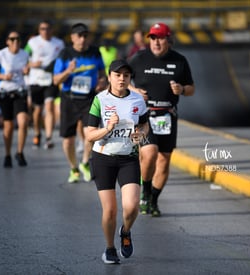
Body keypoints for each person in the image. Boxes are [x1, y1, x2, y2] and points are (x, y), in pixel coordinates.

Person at [128, 22, 195, 217]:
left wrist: (182, 90)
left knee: (164, 161)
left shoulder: (180, 61)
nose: (156, 42)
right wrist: (135, 91)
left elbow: (192, 88)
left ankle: (153, 201)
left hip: (167, 116)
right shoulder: (139, 58)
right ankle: (145, 192)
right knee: (149, 154)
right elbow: (117, 79)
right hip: (145, 116)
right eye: (153, 38)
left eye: (161, 38)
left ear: (169, 40)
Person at [86, 59, 149, 264]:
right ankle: (110, 248)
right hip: (103, 158)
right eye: (117, 75)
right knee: (111, 210)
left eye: (126, 76)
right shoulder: (100, 100)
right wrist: (107, 128)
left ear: (130, 78)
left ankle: (126, 231)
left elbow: (145, 125)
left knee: (131, 207)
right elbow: (89, 134)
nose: (122, 79)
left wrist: (141, 135)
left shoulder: (138, 100)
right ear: (110, 76)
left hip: (128, 158)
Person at [53, 23, 107, 183]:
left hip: (89, 98)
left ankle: (84, 162)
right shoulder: (65, 53)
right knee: (68, 139)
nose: (83, 39)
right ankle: (73, 168)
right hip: (69, 99)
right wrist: (68, 71)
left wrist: (102, 82)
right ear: (73, 38)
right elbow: (55, 79)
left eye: (85, 36)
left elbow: (102, 73)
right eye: (79, 36)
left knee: (90, 134)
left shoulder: (95, 52)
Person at [0, 31, 29, 168]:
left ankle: (20, 152)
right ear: (7, 41)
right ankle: (7, 154)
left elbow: (26, 69)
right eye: (12, 39)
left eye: (18, 39)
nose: (15, 41)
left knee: (23, 122)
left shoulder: (25, 54)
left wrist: (27, 71)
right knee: (8, 126)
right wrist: (4, 77)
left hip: (20, 91)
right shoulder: (1, 54)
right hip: (5, 92)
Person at [24, 20, 65, 149]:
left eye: (47, 28)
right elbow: (23, 58)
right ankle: (37, 133)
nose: (45, 31)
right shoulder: (32, 43)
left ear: (52, 30)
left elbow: (63, 60)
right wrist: (31, 64)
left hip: (51, 80)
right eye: (42, 28)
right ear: (39, 30)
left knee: (50, 107)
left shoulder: (59, 43)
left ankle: (49, 137)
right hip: (36, 80)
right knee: (37, 110)